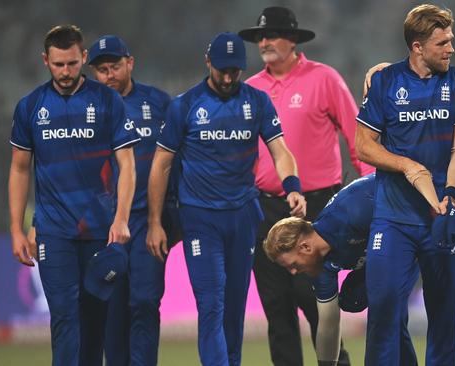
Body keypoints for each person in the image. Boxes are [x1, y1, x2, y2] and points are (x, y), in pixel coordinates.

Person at [146, 32, 306, 366]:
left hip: (243, 216)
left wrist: (292, 185)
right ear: (208, 63)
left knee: (234, 308)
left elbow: (280, 150)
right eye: (223, 70)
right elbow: (161, 165)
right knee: (211, 303)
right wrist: (155, 223)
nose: (230, 77)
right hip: (200, 218)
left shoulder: (256, 101)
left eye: (236, 70)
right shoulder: (185, 106)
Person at [263, 174, 455, 365]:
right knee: (364, 302)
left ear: (305, 247)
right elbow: (328, 323)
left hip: (432, 213)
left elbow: (402, 228)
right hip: (404, 243)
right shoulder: (323, 267)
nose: (294, 273)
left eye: (293, 265)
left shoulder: (352, 212)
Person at [238, 7, 371, 365]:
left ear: (293, 39)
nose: (263, 42)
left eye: (272, 35)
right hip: (265, 207)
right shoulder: (250, 89)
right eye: (259, 37)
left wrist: (374, 185)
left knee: (317, 304)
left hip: (318, 207)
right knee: (276, 309)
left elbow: (356, 136)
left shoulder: (324, 79)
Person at [355, 4, 455, 365]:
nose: (451, 49)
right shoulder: (385, 81)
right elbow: (364, 145)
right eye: (442, 42)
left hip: (442, 216)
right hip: (393, 218)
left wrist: (452, 197)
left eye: (451, 40)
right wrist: (405, 165)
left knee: (443, 319)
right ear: (417, 46)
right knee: (382, 310)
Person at [8, 25, 139, 366]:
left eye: (71, 63)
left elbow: (128, 164)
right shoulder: (31, 106)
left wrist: (121, 218)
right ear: (45, 61)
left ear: (83, 58)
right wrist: (16, 229)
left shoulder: (107, 100)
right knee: (65, 318)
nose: (65, 72)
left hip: (99, 230)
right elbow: (20, 169)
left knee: (94, 324)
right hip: (54, 233)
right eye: (58, 65)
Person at [87, 34, 180, 366]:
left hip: (146, 222)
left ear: (130, 64)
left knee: (144, 302)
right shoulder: (86, 109)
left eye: (114, 66)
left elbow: (178, 160)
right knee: (110, 307)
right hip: (103, 224)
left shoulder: (159, 104)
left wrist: (171, 216)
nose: (109, 75)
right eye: (101, 70)